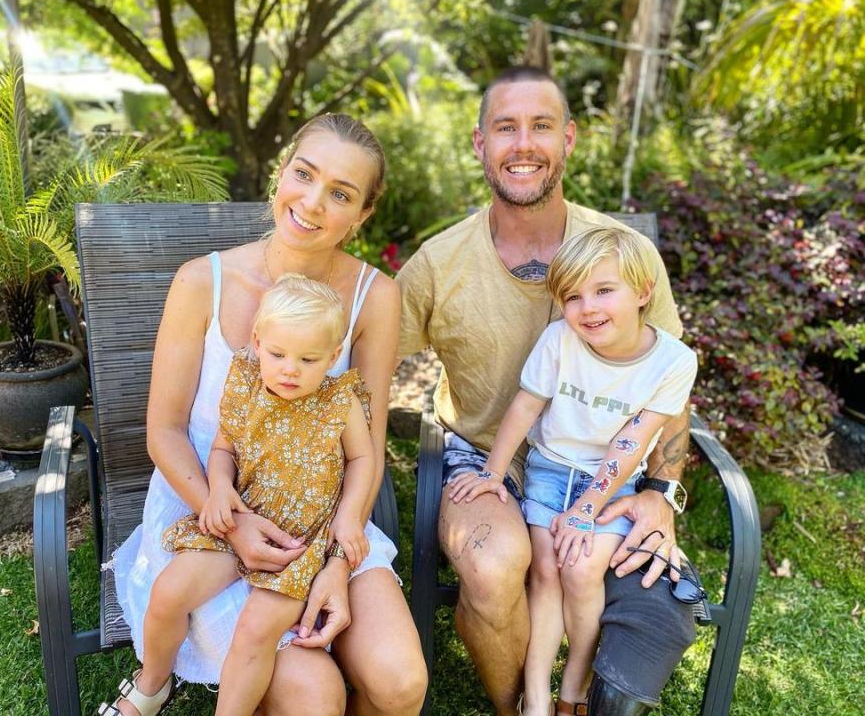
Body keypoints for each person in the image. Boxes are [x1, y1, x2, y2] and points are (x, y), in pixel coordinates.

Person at [397, 66, 697, 715]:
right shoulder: (438, 263)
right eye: (506, 127)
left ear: (570, 139)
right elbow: (364, 362)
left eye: (541, 126)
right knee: (492, 560)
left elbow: (666, 389)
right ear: (480, 143)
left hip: (602, 461)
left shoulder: (627, 257)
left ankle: (577, 693)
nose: (523, 144)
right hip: (484, 454)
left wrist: (661, 493)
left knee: (627, 584)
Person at [106, 113, 427, 716]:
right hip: (210, 509)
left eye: (341, 194)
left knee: (401, 682)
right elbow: (165, 431)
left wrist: (334, 561)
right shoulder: (203, 281)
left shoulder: (373, 299)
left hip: (324, 520)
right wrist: (228, 521)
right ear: (282, 173)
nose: (311, 202)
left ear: (361, 216)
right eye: (303, 175)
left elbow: (368, 449)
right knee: (315, 696)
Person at [99, 274, 377, 716]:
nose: (290, 369)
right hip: (240, 516)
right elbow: (223, 448)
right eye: (278, 353)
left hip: (300, 542)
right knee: (170, 591)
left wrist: (349, 517)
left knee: (255, 630)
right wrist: (220, 489)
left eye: (308, 358)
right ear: (256, 340)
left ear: (334, 354)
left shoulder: (338, 402)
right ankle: (151, 686)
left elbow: (363, 460)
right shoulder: (245, 385)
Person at [446, 228, 698, 716]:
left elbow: (633, 441)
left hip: (614, 480)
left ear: (644, 292)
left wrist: (586, 509)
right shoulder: (560, 339)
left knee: (581, 570)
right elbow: (525, 407)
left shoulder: (673, 361)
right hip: (550, 469)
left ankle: (574, 691)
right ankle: (537, 697)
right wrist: (493, 474)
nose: (588, 308)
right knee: (545, 571)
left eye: (605, 290)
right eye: (573, 297)